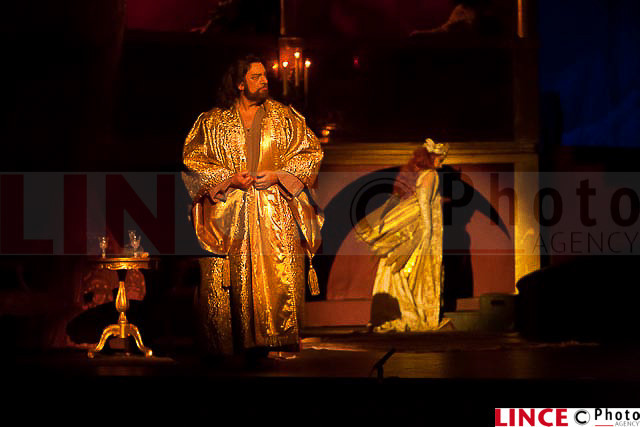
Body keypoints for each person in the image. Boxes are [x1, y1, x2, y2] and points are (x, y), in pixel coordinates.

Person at [182, 54, 323, 358]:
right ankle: (229, 345)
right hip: (230, 212)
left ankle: (274, 340)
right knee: (227, 279)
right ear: (239, 83)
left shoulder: (284, 117)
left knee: (275, 273)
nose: (264, 81)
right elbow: (194, 160)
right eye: (256, 77)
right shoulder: (213, 122)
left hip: (274, 210)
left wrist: (278, 175)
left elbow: (310, 153)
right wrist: (229, 178)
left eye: (264, 76)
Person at [356, 138, 450, 332]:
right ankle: (410, 311)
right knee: (413, 267)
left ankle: (400, 310)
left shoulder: (418, 175)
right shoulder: (431, 175)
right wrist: (427, 230)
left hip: (411, 223)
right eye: (440, 158)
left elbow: (419, 198)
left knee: (402, 265)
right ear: (432, 158)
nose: (441, 163)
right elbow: (424, 202)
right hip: (418, 225)